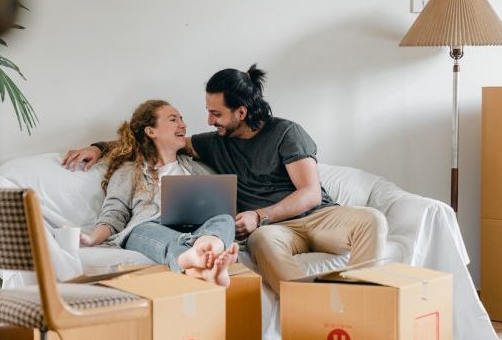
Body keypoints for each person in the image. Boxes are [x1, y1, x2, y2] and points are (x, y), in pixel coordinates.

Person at [63, 65, 388, 294]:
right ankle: (305, 304)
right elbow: (143, 147)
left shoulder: (286, 133)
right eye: (207, 111)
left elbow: (310, 194)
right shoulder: (207, 144)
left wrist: (257, 216)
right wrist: (99, 147)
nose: (206, 120)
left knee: (372, 220)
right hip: (271, 233)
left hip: (317, 218)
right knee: (260, 242)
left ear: (241, 113)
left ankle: (362, 301)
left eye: (216, 114)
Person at [79, 99, 239, 287]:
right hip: (150, 228)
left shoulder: (197, 168)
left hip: (196, 230)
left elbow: (220, 206)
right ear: (151, 131)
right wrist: (91, 239)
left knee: (224, 218)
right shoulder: (129, 171)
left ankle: (205, 256)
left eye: (182, 119)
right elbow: (114, 214)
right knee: (140, 229)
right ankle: (199, 260)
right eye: (173, 119)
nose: (183, 125)